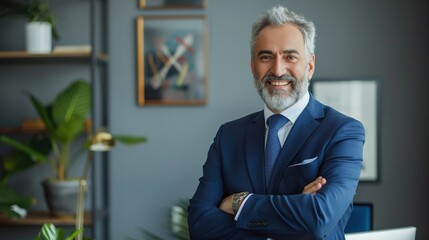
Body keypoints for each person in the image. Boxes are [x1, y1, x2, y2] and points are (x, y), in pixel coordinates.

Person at [188, 5, 365, 240]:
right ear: (253, 66)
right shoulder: (228, 136)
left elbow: (319, 218)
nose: (278, 69)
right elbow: (199, 223)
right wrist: (295, 211)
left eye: (290, 56)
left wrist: (238, 203)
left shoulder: (343, 131)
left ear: (309, 66)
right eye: (266, 57)